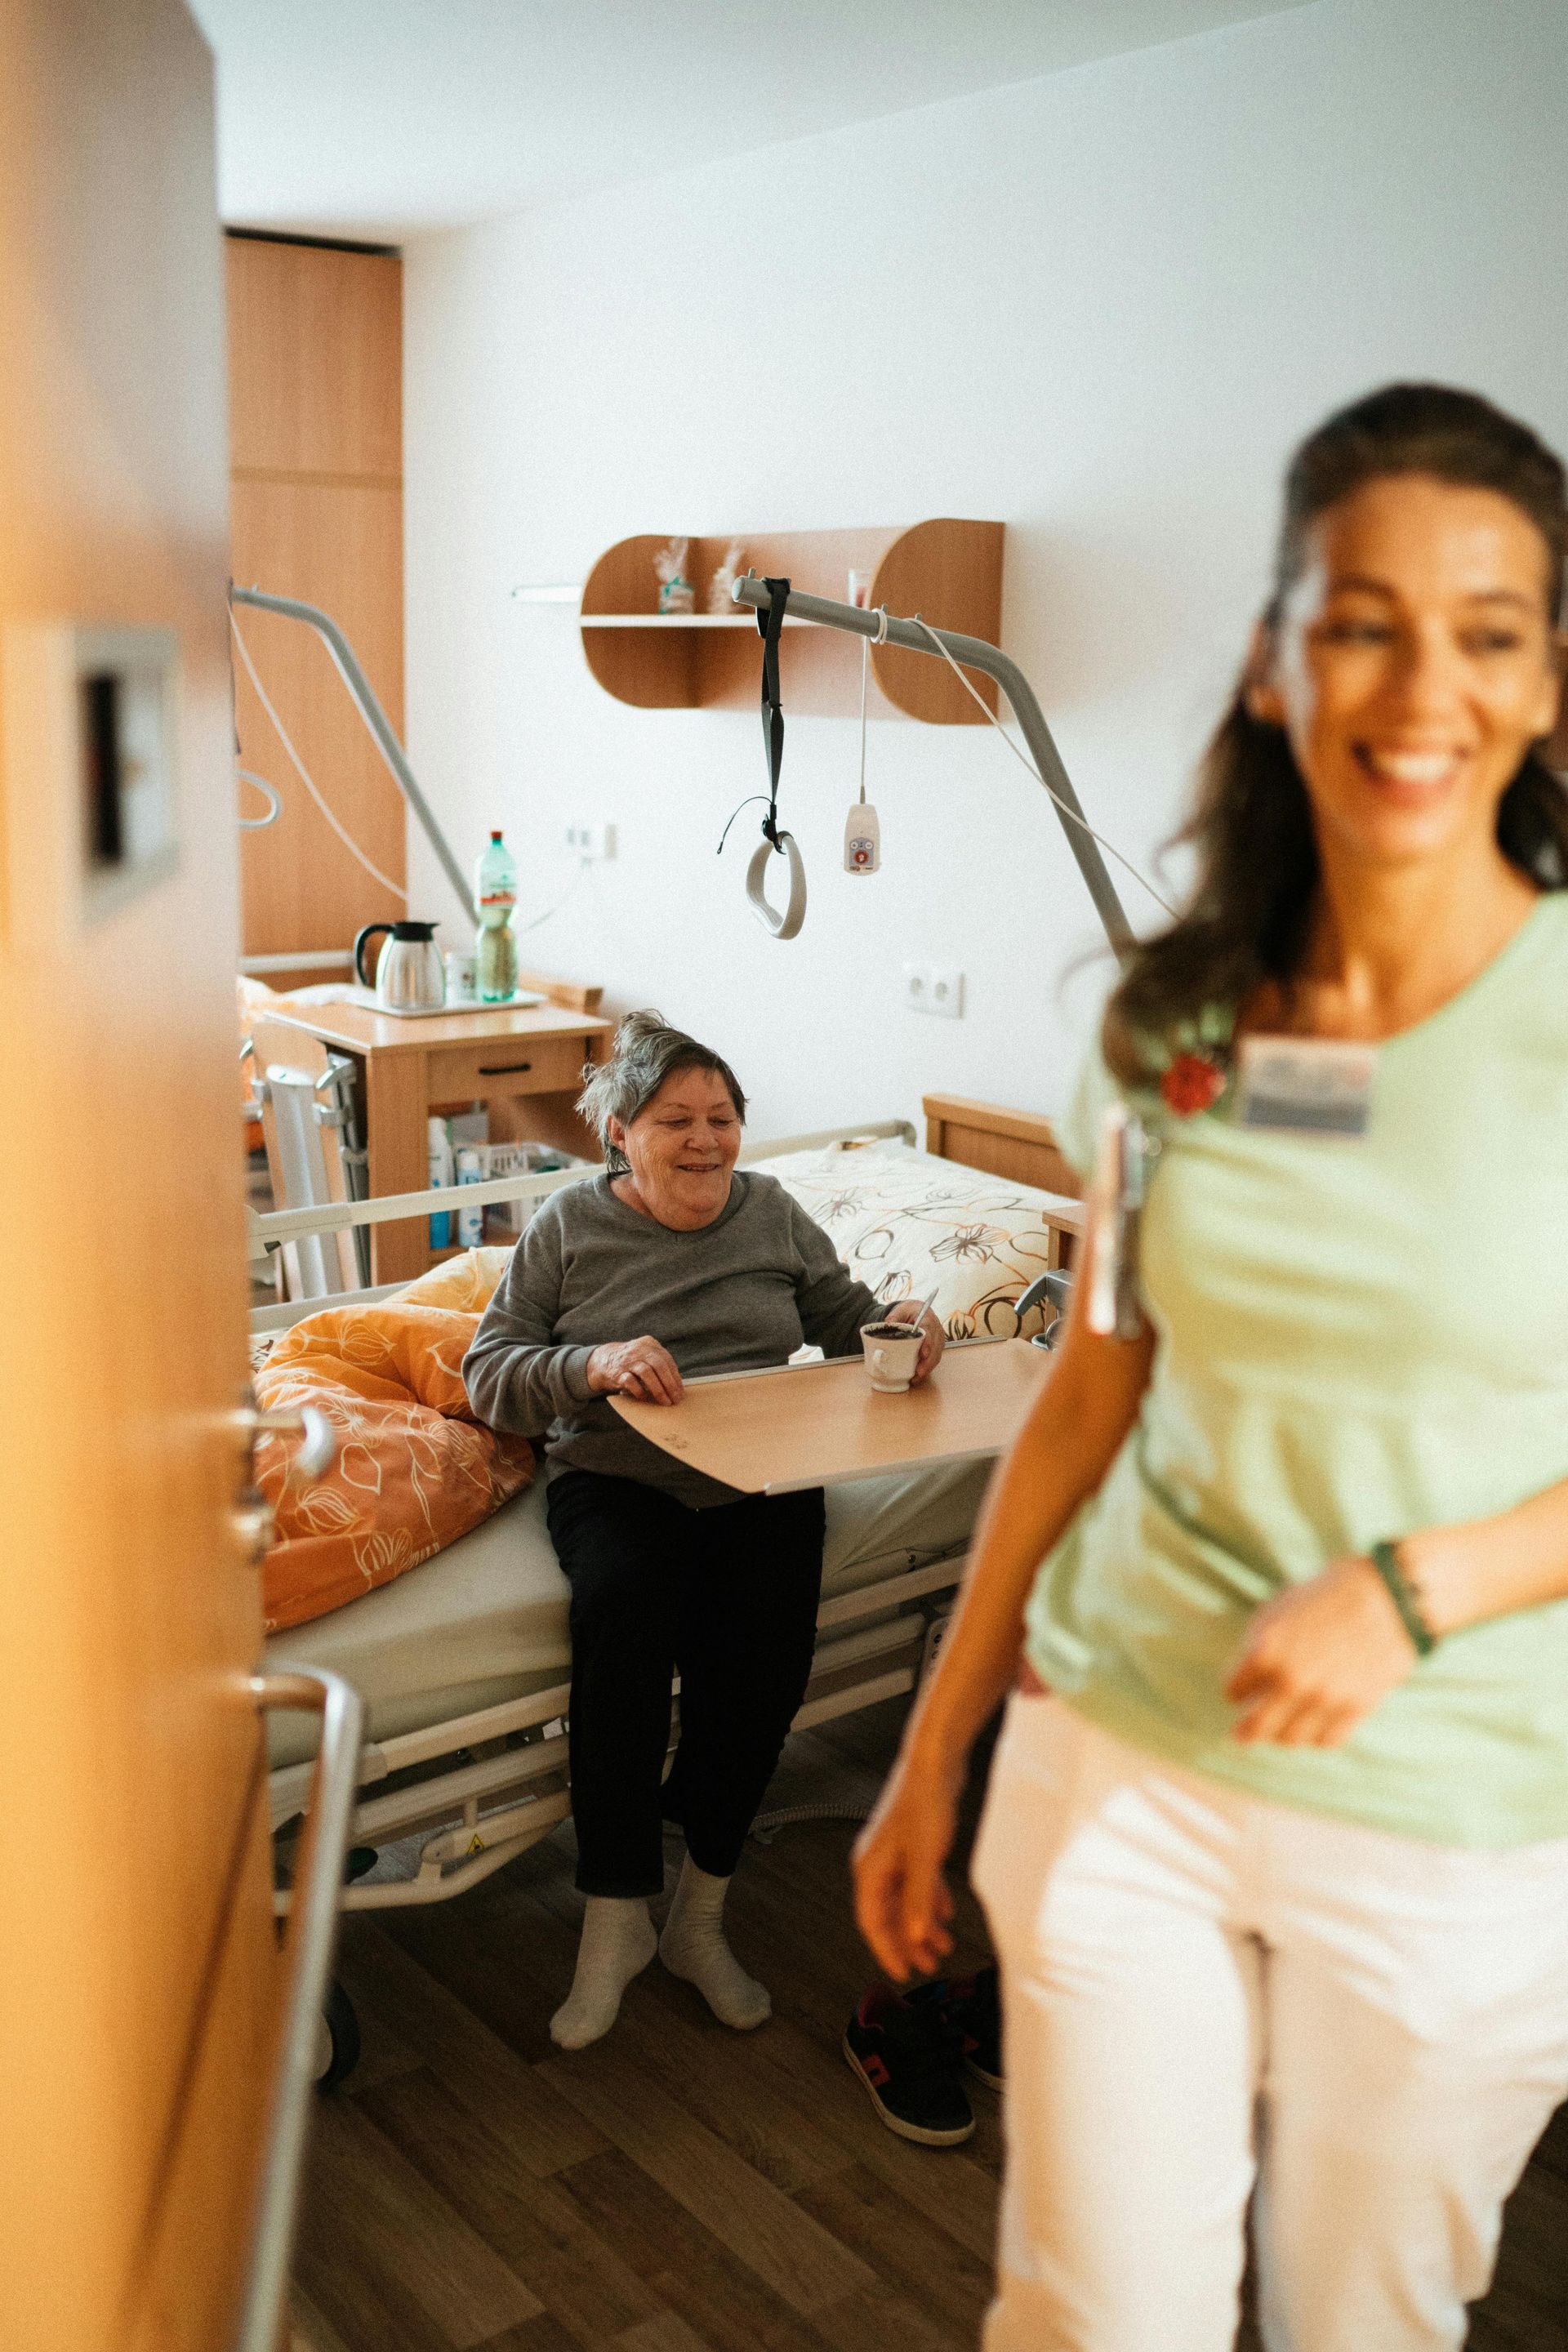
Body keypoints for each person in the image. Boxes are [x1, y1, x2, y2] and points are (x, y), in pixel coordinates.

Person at [852, 382, 1568, 2350]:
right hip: (1121, 1756)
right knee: (1091, 2317)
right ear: (1274, 659)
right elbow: (1096, 1374)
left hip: (1448, 1812)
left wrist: (1419, 1588)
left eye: (1487, 629)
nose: (1418, 683)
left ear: (1543, 686)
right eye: (1361, 616)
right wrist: (933, 1742)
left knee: (1362, 2325)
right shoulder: (1181, 1022)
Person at [465, 1011, 943, 2050]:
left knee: (765, 1662)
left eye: (721, 1117)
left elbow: (845, 1317)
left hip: (764, 1479)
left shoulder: (770, 1214)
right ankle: (611, 1921)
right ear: (620, 1133)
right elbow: (488, 1371)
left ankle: (701, 1915)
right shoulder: (568, 1229)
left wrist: (909, 1326)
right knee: (623, 1630)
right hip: (621, 1476)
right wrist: (588, 1364)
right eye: (675, 1119)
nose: (705, 1140)